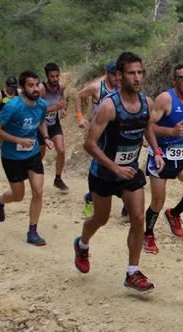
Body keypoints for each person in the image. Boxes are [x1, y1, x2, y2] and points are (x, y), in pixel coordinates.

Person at [73, 51, 164, 292]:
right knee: (100, 218)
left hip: (130, 172)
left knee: (137, 217)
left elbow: (147, 127)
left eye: (140, 72)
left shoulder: (147, 102)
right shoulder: (108, 106)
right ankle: (82, 244)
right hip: (104, 173)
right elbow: (89, 144)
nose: (137, 77)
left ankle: (132, 272)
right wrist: (114, 167)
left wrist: (156, 151)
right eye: (131, 73)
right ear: (119, 75)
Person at [143, 63, 183, 254]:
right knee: (157, 201)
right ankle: (149, 234)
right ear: (175, 81)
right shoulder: (165, 99)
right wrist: (170, 131)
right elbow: (149, 126)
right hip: (160, 154)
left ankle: (174, 213)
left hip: (181, 153)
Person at [0, 70, 54, 245]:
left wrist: (46, 137)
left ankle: (32, 231)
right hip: (12, 156)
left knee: (38, 191)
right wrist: (18, 140)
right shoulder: (13, 106)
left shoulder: (41, 104)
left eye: (37, 85)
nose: (35, 89)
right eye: (30, 85)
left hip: (32, 154)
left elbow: (41, 121)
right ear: (21, 88)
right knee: (18, 195)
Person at [75, 61, 119, 218]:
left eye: (118, 73)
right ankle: (90, 198)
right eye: (113, 74)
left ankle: (126, 201)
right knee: (99, 165)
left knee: (120, 162)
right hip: (98, 132)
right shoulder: (96, 87)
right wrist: (80, 117)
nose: (116, 77)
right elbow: (78, 95)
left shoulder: (122, 86)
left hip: (116, 133)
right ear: (107, 73)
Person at [39, 62, 69, 193]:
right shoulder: (41, 89)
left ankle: (58, 179)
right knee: (40, 155)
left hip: (54, 124)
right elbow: (36, 110)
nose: (56, 79)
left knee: (61, 150)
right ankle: (34, 176)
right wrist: (53, 108)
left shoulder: (61, 87)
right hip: (40, 125)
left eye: (57, 76)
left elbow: (62, 100)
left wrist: (63, 109)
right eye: (52, 76)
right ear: (47, 77)